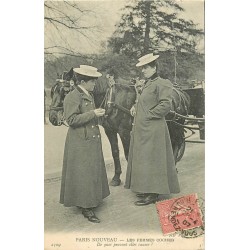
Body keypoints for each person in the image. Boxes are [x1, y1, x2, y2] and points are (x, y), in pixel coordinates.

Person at [124, 53, 180, 206]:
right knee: (145, 159)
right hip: (143, 129)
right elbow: (146, 102)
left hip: (153, 128)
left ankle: (153, 194)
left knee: (153, 159)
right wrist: (136, 108)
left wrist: (147, 115)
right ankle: (147, 189)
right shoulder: (149, 83)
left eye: (146, 68)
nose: (143, 71)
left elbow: (165, 105)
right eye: (142, 68)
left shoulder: (162, 83)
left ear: (154, 67)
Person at [60, 65, 110, 223]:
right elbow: (72, 120)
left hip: (89, 139)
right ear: (83, 81)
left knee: (91, 171)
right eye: (92, 81)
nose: (95, 84)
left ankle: (91, 199)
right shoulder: (73, 96)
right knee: (83, 173)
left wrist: (98, 115)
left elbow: (87, 117)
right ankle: (86, 207)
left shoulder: (87, 94)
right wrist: (93, 113)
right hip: (80, 141)